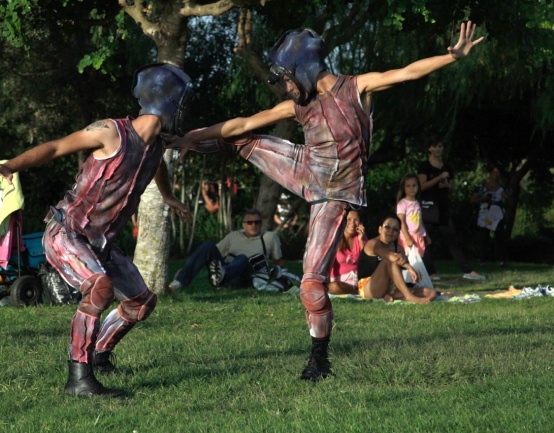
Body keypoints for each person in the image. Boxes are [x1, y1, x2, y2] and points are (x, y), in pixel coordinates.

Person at [169, 22, 483, 381]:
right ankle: (185, 148)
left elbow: (407, 73)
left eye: (288, 78)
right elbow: (243, 121)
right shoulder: (298, 106)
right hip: (305, 167)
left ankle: (319, 359)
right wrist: (191, 139)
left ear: (303, 69)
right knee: (241, 136)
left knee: (310, 285)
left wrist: (450, 56)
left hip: (334, 194)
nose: (287, 86)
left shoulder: (355, 87)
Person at [0, 63, 193, 398]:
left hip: (101, 243)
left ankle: (100, 355)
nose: (185, 110)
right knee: (99, 286)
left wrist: (168, 196)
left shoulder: (158, 144)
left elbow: (156, 164)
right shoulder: (111, 132)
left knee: (140, 303)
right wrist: (11, 165)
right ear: (165, 102)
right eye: (182, 102)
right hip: (67, 232)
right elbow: (56, 147)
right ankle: (79, 378)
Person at [417, 137, 485, 281]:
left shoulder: (447, 167)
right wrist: (438, 178)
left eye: (440, 146)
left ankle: (468, 270)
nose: (438, 149)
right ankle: (431, 273)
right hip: (428, 207)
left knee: (452, 239)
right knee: (426, 241)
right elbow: (422, 186)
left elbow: (452, 188)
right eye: (435, 146)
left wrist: (447, 184)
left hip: (443, 208)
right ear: (430, 148)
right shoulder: (424, 166)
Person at [168, 208, 283, 292]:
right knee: (208, 245)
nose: (253, 225)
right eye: (249, 222)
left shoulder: (270, 237)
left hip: (248, 275)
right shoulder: (233, 236)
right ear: (244, 224)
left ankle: (222, 277)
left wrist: (283, 278)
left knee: (242, 258)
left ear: (261, 223)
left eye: (257, 222)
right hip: (227, 269)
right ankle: (178, 283)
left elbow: (279, 263)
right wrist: (185, 269)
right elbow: (212, 254)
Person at [357, 215, 437, 303]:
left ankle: (390, 296)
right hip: (369, 288)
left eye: (395, 229)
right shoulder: (373, 244)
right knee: (388, 261)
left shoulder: (398, 248)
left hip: (390, 288)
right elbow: (390, 257)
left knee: (431, 293)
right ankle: (408, 296)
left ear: (398, 233)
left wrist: (404, 260)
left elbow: (403, 260)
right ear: (380, 229)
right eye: (387, 227)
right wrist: (408, 267)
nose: (391, 231)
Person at [471, 164, 507, 267]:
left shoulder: (501, 188)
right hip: (485, 213)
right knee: (484, 237)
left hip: (497, 214)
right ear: (490, 174)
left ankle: (501, 259)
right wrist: (482, 199)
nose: (496, 175)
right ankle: (482, 259)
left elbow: (507, 201)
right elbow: (472, 200)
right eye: (494, 172)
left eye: (498, 173)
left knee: (499, 237)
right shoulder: (482, 186)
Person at [327, 209, 366, 295]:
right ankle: (358, 294)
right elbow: (327, 264)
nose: (352, 223)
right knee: (333, 287)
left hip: (358, 280)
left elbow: (366, 262)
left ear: (360, 223)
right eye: (349, 219)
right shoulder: (335, 238)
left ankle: (360, 292)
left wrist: (361, 240)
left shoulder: (361, 237)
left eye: (356, 220)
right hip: (340, 283)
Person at [396, 173, 431, 257]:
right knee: (409, 260)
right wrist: (408, 239)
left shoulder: (417, 203)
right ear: (403, 188)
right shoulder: (402, 204)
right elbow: (402, 222)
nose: (411, 188)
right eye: (408, 186)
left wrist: (426, 236)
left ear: (418, 186)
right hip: (407, 236)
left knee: (418, 260)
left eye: (414, 185)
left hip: (418, 236)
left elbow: (419, 220)